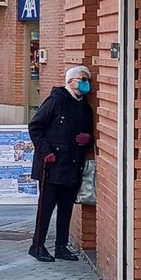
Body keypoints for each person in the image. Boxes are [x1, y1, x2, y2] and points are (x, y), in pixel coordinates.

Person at [27, 65, 94, 262]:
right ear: (71, 81)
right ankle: (37, 245)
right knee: (46, 208)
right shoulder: (56, 100)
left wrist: (88, 139)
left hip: (73, 165)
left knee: (66, 208)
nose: (85, 83)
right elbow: (35, 126)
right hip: (51, 165)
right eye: (82, 79)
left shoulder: (84, 106)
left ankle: (61, 247)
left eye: (87, 80)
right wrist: (45, 151)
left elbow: (90, 133)